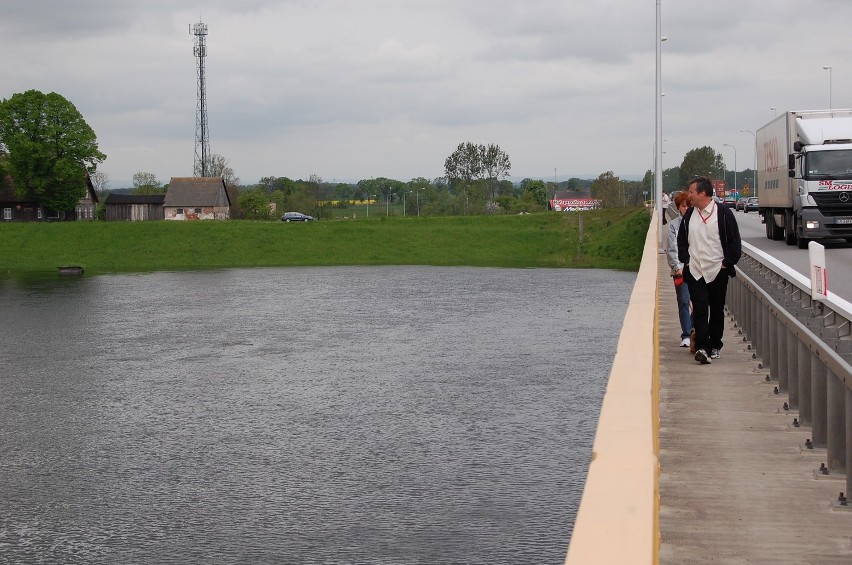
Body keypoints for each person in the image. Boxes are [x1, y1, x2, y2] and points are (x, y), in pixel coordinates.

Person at [677, 177, 742, 364]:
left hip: (717, 270)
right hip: (696, 270)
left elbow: (735, 243)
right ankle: (702, 348)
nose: (689, 195)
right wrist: (686, 261)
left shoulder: (722, 214)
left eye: (691, 192)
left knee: (716, 309)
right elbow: (682, 241)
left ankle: (715, 345)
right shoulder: (690, 215)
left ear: (702, 193)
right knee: (699, 309)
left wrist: (726, 264)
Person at [666, 191, 693, 347]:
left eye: (689, 206)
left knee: (698, 302)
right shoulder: (674, 225)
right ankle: (686, 334)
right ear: (678, 208)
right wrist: (677, 267)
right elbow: (672, 248)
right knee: (683, 301)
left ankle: (695, 330)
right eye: (683, 206)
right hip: (681, 271)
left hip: (696, 269)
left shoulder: (697, 223)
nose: (686, 209)